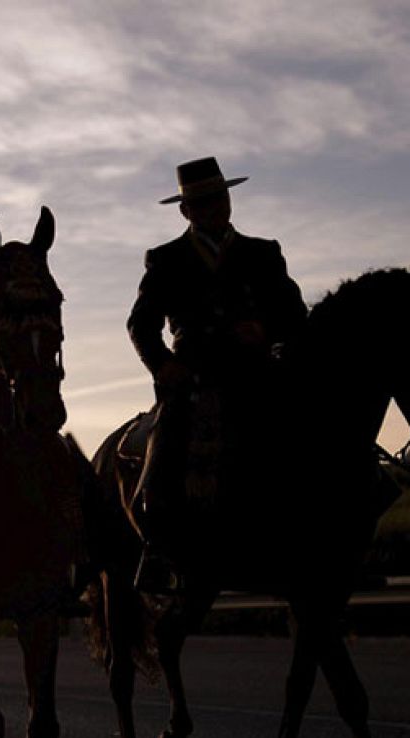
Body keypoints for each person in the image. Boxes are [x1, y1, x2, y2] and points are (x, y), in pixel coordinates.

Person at [127, 157, 306, 592]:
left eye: (218, 198)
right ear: (185, 211)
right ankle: (156, 545)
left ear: (228, 200)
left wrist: (266, 331)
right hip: (194, 375)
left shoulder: (264, 252)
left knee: (314, 428)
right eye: (201, 202)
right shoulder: (166, 259)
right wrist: (162, 365)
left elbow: (294, 314)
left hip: (256, 369)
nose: (212, 207)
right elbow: (141, 324)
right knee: (166, 443)